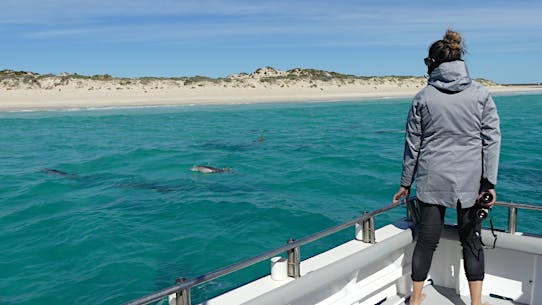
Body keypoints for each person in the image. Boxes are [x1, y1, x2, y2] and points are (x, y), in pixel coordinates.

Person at [392, 29, 501, 305]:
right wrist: (489, 183)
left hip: (432, 179)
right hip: (471, 182)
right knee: (472, 240)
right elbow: (492, 140)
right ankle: (476, 303)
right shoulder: (480, 94)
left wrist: (406, 183)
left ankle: (416, 299)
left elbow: (412, 146)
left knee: (427, 241)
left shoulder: (422, 97)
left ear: (433, 63)